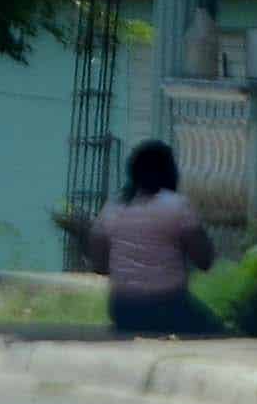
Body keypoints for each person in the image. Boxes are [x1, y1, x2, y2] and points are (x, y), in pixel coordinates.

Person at [83, 141, 219, 337]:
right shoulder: (177, 206)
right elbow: (204, 260)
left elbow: (99, 265)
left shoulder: (112, 208)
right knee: (218, 334)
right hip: (168, 305)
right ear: (170, 172)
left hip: (122, 307)